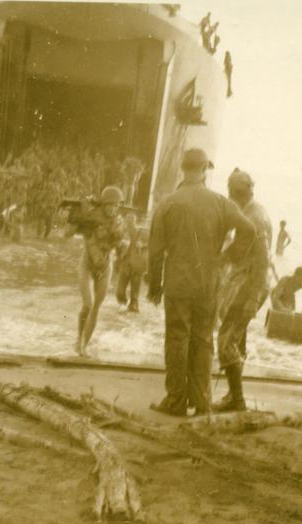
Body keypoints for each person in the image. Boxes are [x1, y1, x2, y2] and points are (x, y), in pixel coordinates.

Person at [147, 149, 256, 416]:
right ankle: (202, 402)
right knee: (203, 340)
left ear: (183, 169)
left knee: (177, 338)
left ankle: (175, 401)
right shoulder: (220, 202)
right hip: (209, 283)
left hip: (177, 282)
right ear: (205, 169)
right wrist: (226, 256)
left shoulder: (168, 203)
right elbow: (250, 231)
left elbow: (155, 251)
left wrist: (154, 286)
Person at [214, 168, 271, 412]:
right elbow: (242, 248)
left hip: (250, 284)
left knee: (226, 339)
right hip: (251, 282)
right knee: (237, 338)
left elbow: (261, 260)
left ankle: (237, 399)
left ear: (234, 192)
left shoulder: (253, 217)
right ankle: (233, 395)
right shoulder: (255, 211)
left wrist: (252, 298)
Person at [65, 186, 126, 356]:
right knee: (87, 304)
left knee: (96, 308)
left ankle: (84, 345)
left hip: (105, 267)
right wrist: (75, 219)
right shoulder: (90, 217)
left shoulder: (119, 222)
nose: (113, 208)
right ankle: (79, 338)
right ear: (103, 204)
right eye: (109, 205)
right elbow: (66, 234)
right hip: (86, 264)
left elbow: (120, 242)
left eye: (116, 205)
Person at [116, 214, 148, 313]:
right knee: (120, 291)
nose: (129, 222)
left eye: (131, 220)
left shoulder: (142, 232)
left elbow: (152, 243)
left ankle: (133, 308)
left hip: (137, 266)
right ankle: (123, 304)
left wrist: (143, 245)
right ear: (125, 221)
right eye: (128, 220)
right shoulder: (121, 232)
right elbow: (115, 245)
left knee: (135, 292)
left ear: (135, 221)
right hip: (125, 265)